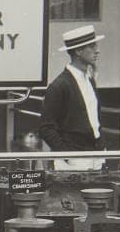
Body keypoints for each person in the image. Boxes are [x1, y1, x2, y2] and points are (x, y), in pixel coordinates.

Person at [38, 25, 106, 171]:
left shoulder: (90, 80)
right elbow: (46, 128)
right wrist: (68, 156)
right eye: (92, 46)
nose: (97, 50)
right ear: (78, 51)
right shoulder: (59, 86)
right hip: (74, 162)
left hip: (97, 157)